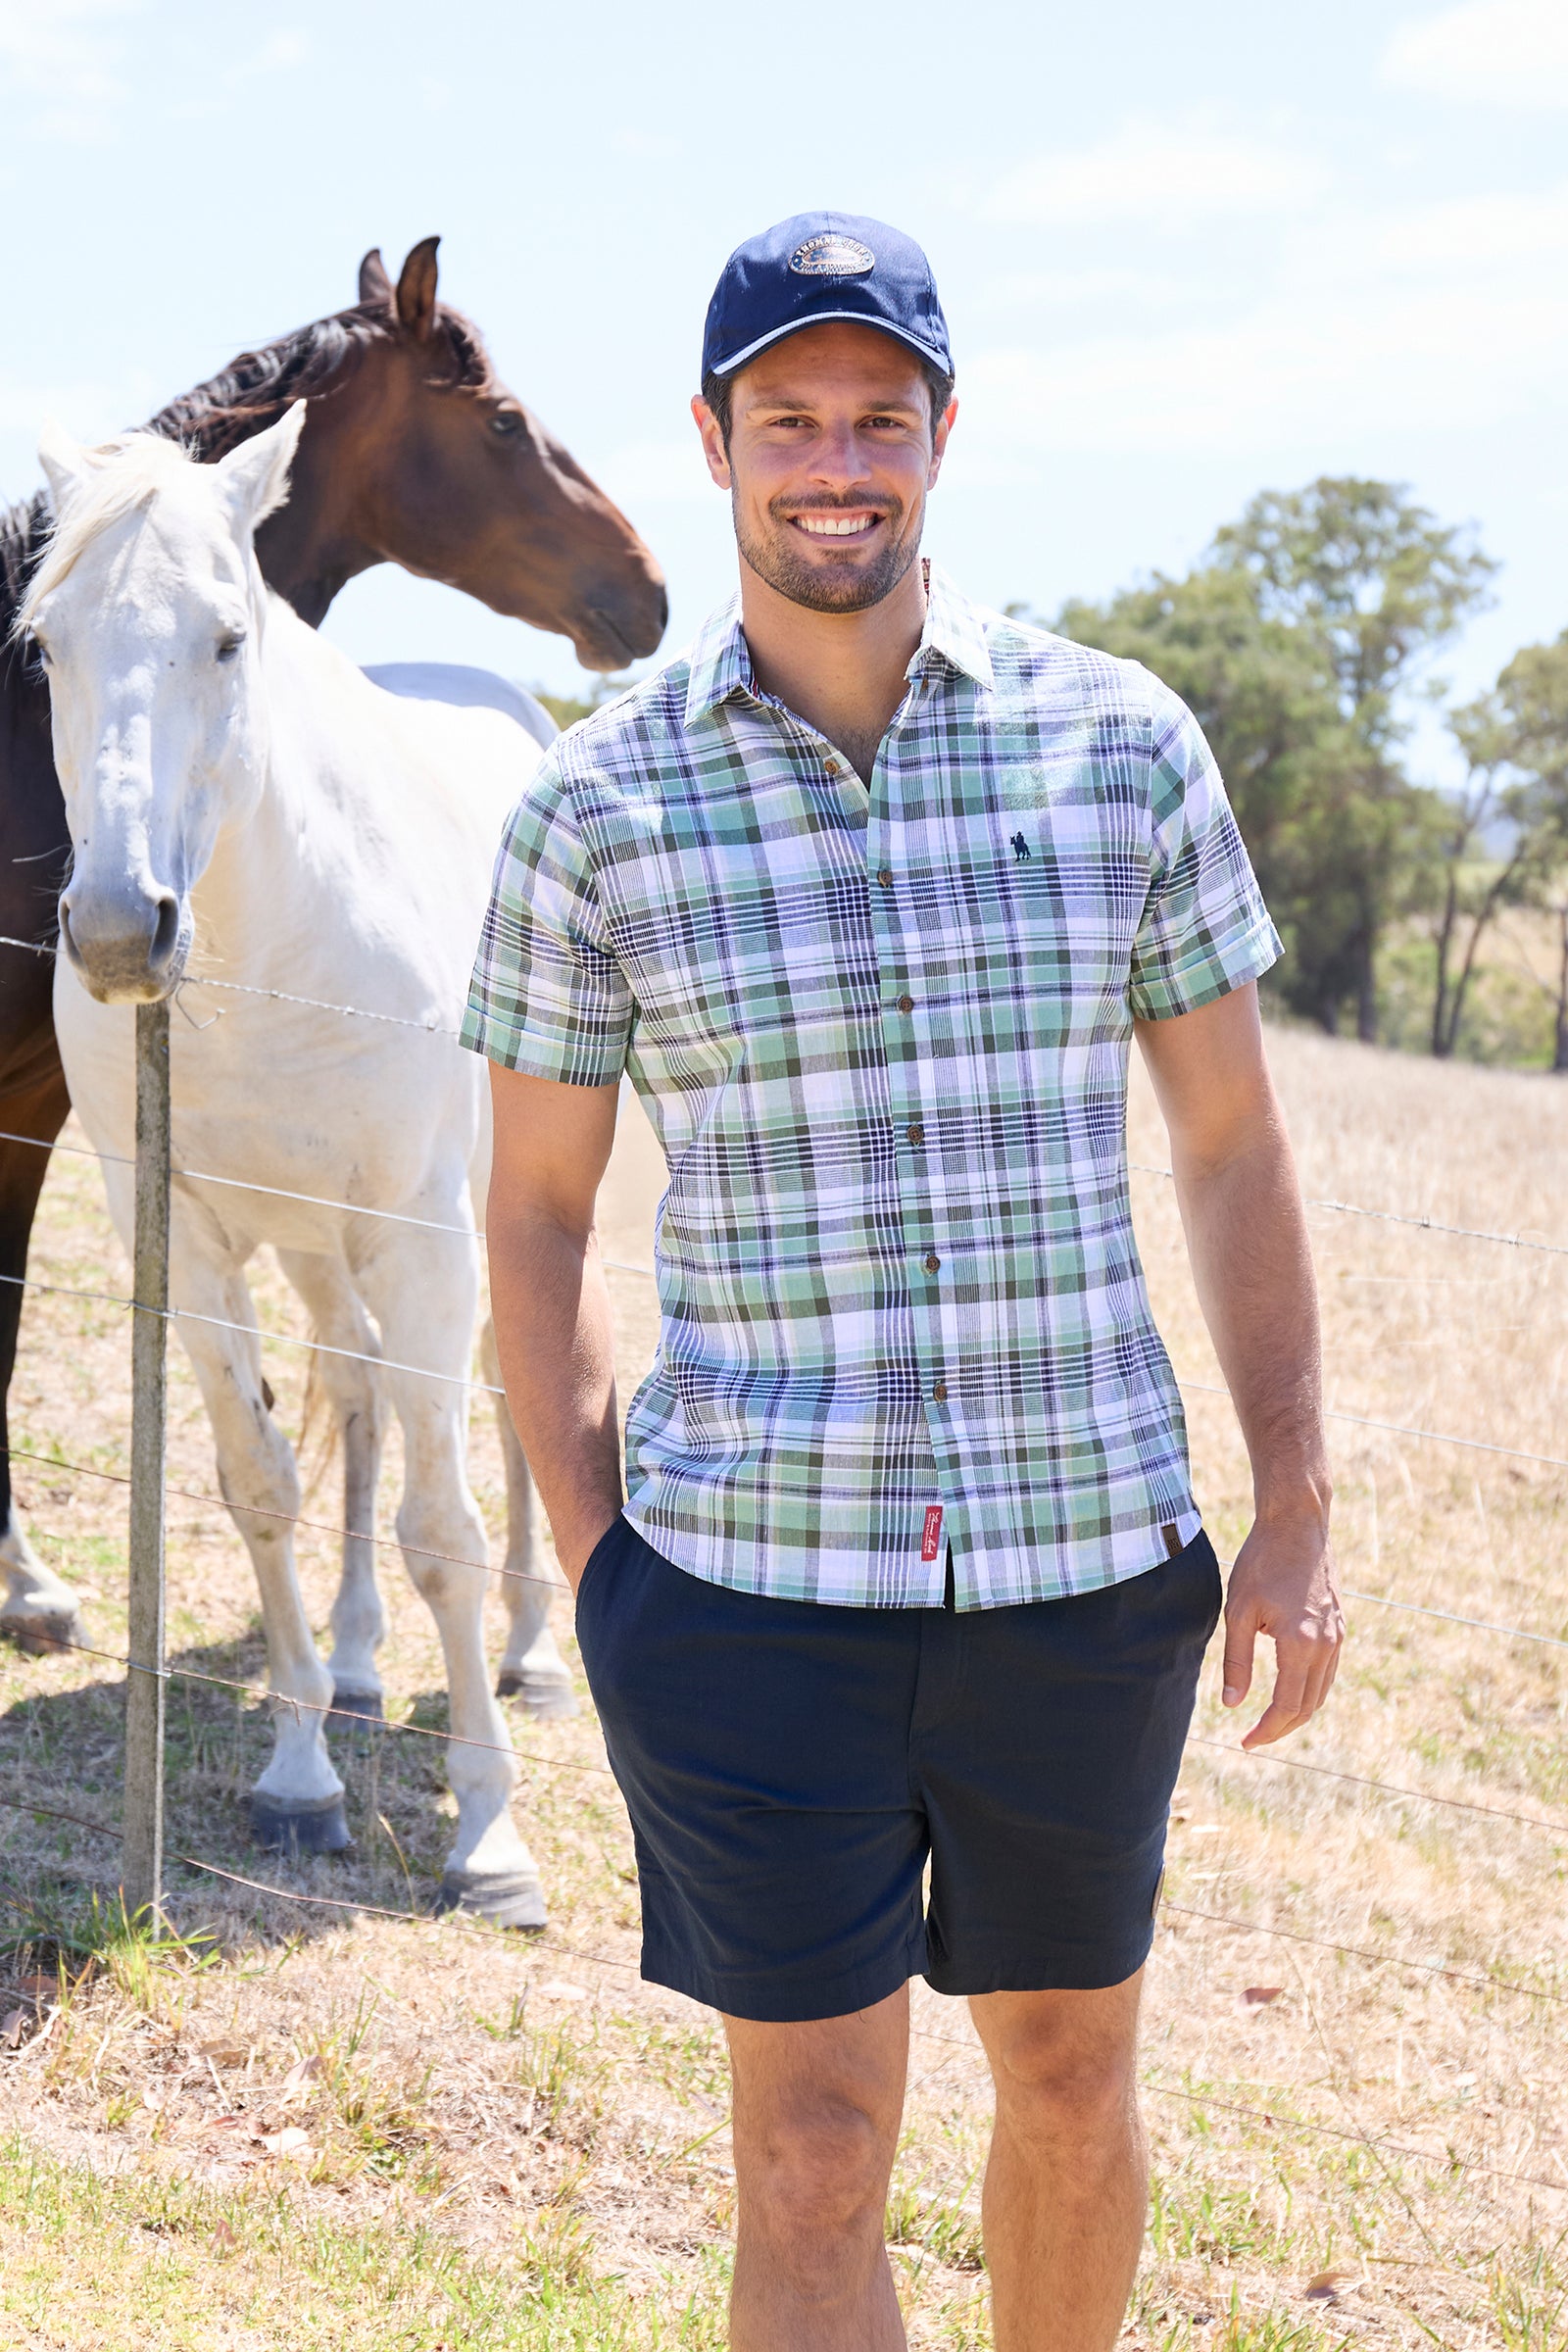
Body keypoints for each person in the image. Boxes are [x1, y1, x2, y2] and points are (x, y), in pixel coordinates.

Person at [465, 210, 1344, 2352]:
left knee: (1068, 2086)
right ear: (712, 444)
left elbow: (1231, 1142)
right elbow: (537, 1210)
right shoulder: (595, 810)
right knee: (809, 2153)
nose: (835, 464)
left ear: (945, 435)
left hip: (1079, 1565)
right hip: (746, 1588)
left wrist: (1297, 1500)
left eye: (878, 417)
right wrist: (600, 1565)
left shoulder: (1119, 746)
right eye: (789, 421)